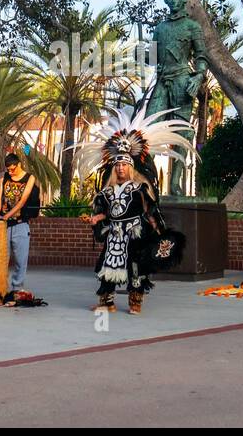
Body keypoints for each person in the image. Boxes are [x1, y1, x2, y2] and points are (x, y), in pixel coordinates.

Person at [74, 106, 192, 314]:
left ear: (130, 167)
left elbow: (150, 211)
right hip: (114, 234)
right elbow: (107, 213)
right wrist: (97, 218)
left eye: (124, 165)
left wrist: (160, 232)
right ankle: (106, 303)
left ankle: (135, 302)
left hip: (135, 232)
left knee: (135, 267)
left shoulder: (139, 189)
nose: (120, 168)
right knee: (107, 265)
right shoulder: (106, 192)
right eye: (117, 165)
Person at [0, 155, 40, 293]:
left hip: (20, 223)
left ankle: (17, 289)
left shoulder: (29, 178)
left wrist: (6, 216)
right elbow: (0, 198)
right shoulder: (4, 176)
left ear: (19, 165)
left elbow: (22, 201)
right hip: (4, 225)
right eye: (8, 169)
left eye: (12, 169)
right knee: (1, 259)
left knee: (20, 260)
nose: (10, 172)